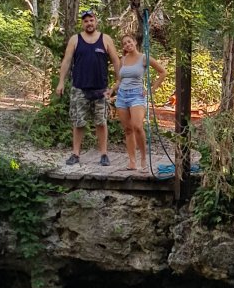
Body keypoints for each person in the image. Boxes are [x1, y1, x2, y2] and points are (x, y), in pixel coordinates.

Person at [54, 10, 121, 166]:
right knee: (78, 122)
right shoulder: (75, 40)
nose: (89, 23)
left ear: (95, 21)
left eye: (91, 20)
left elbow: (116, 60)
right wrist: (61, 81)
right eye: (86, 21)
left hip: (101, 89)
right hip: (79, 88)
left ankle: (104, 154)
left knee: (101, 122)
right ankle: (75, 154)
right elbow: (66, 61)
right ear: (82, 23)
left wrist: (119, 81)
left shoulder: (105, 39)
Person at [113, 34, 167, 172]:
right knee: (128, 129)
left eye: (129, 42)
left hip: (137, 95)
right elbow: (119, 80)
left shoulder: (144, 58)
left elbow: (163, 72)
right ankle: (132, 161)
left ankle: (143, 158)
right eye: (124, 43)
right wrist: (111, 90)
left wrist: (151, 90)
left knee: (137, 126)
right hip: (122, 96)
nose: (127, 45)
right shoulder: (122, 60)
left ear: (135, 42)